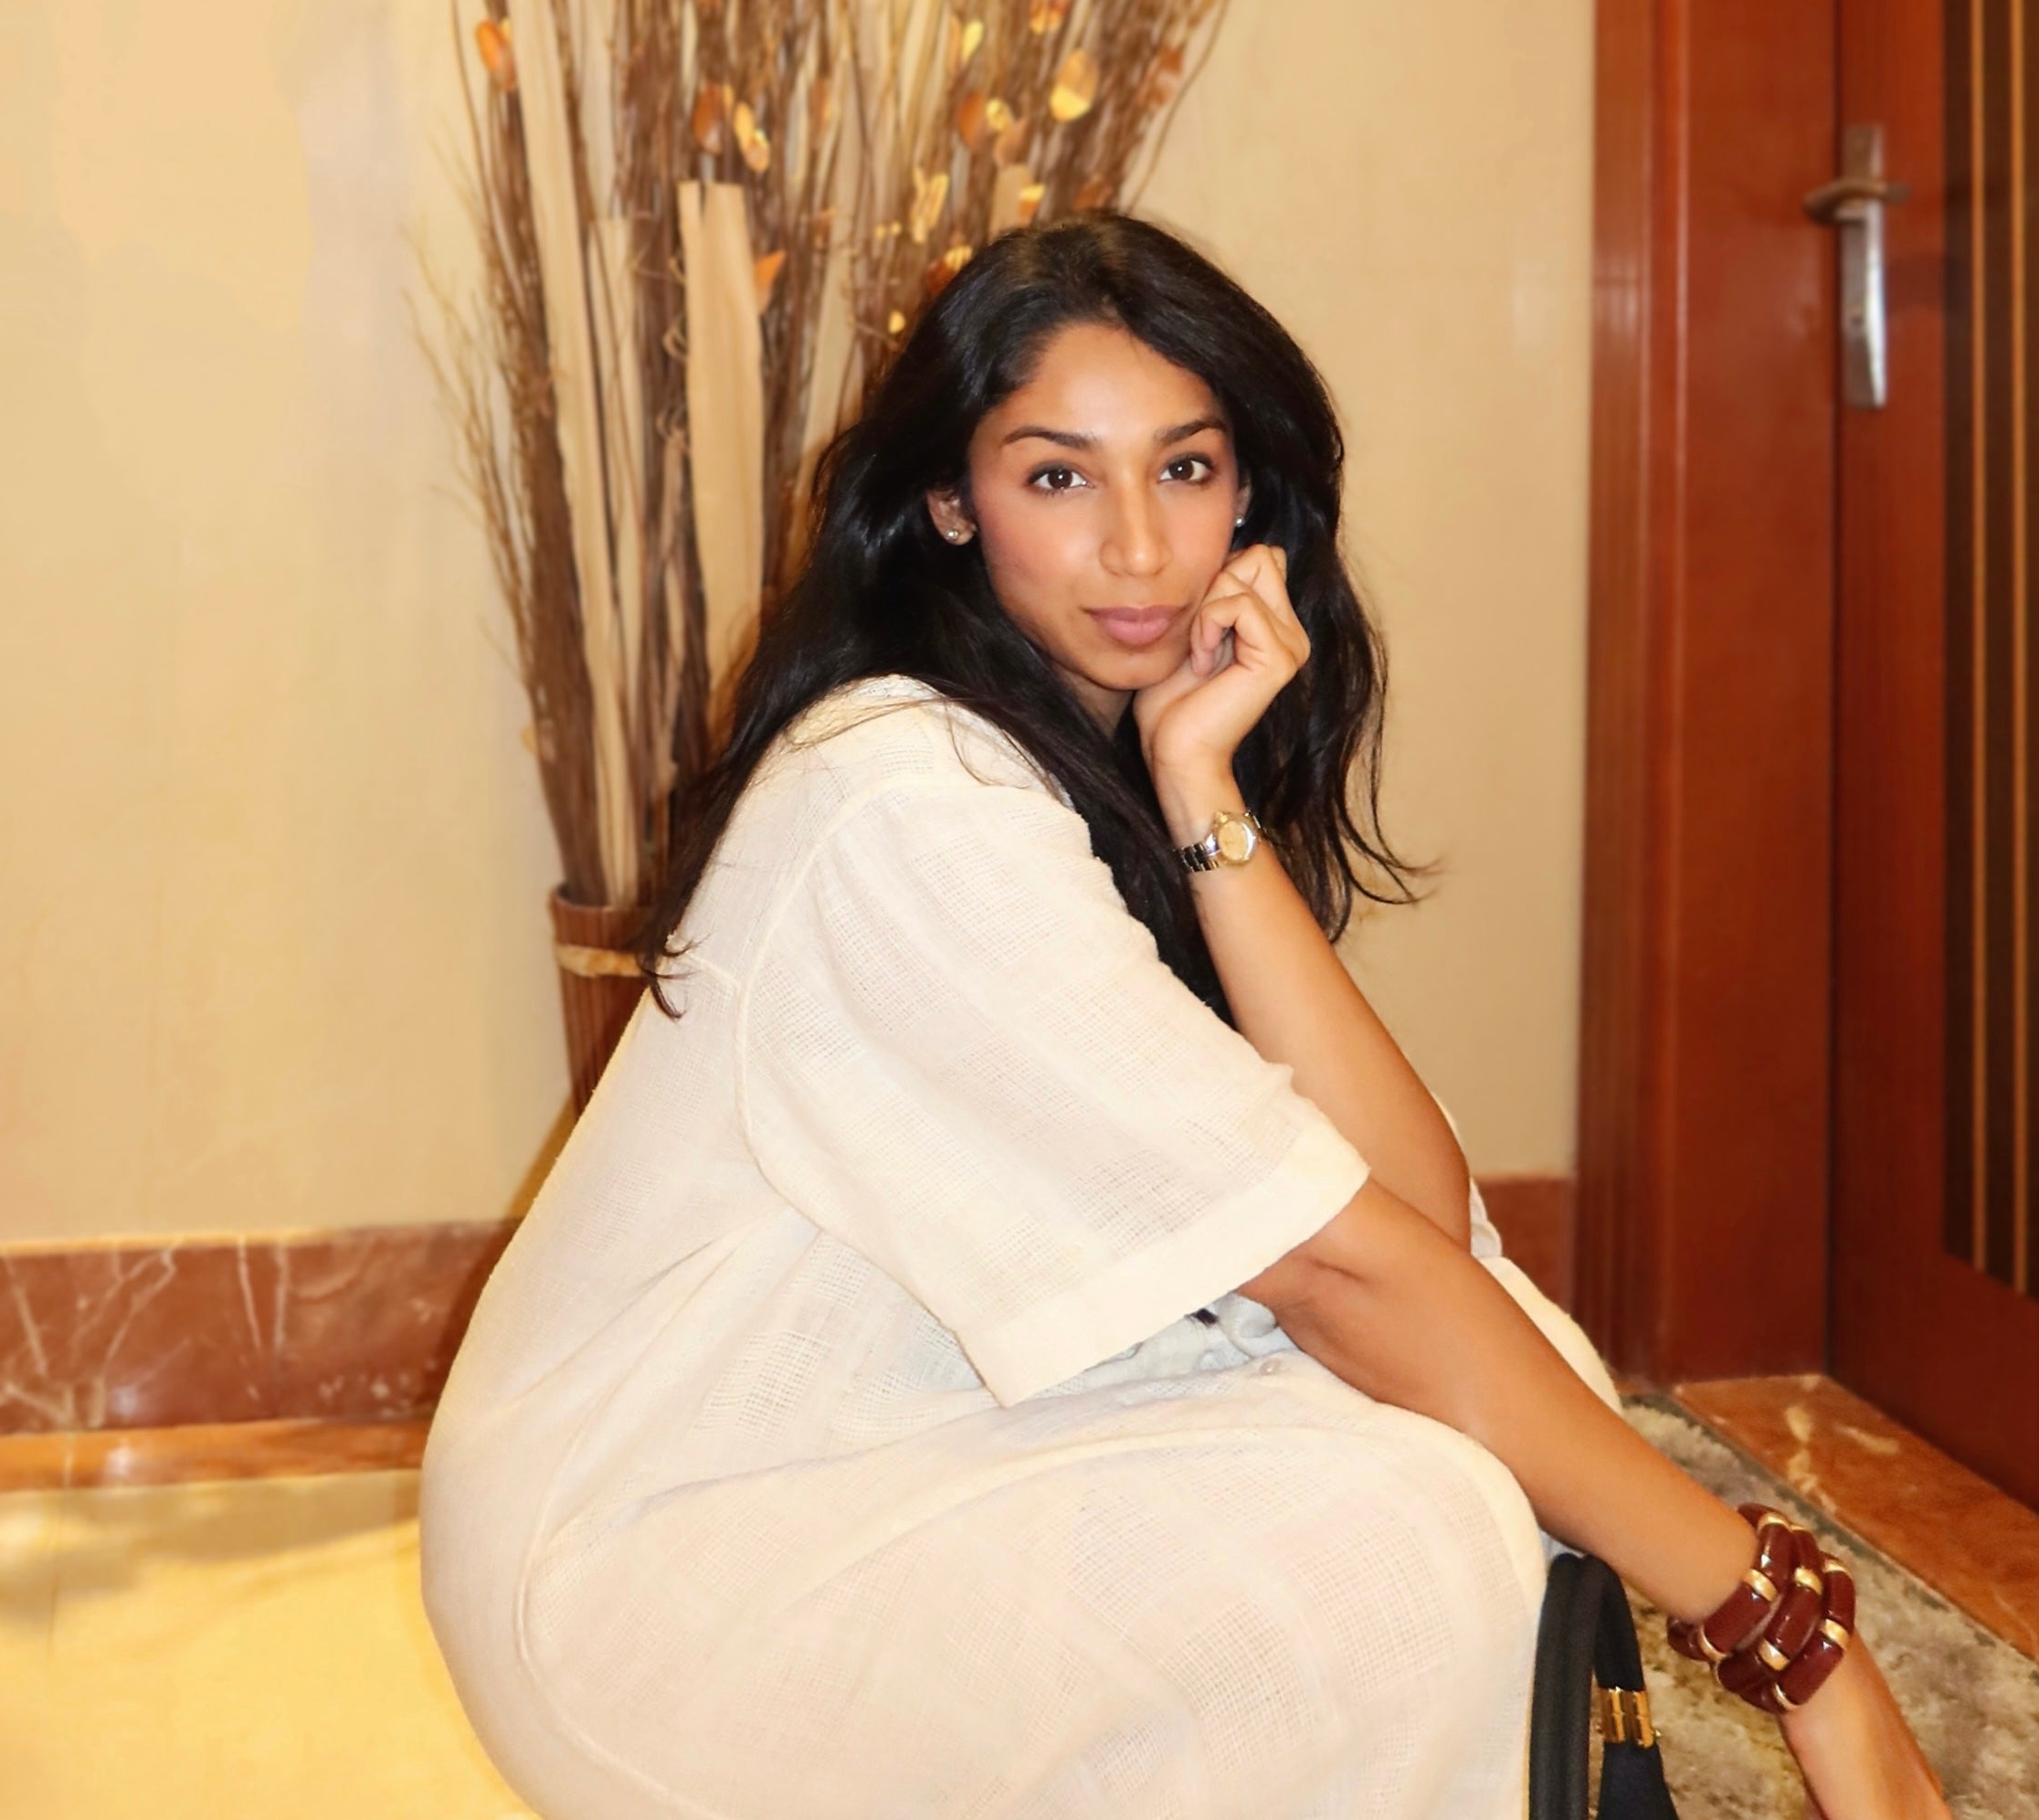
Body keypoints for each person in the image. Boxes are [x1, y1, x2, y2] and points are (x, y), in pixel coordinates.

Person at [419, 215, 1947, 1819]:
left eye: (1186, 467)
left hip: (894, 1442)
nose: (1140, 550)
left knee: (1495, 1382)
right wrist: (1789, 1636)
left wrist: (1203, 787)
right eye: (1058, 476)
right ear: (950, 500)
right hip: (667, 1557)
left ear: (1248, 498)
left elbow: (1419, 1221)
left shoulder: (1083, 760)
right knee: (1405, 1552)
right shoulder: (901, 791)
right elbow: (1335, 1268)